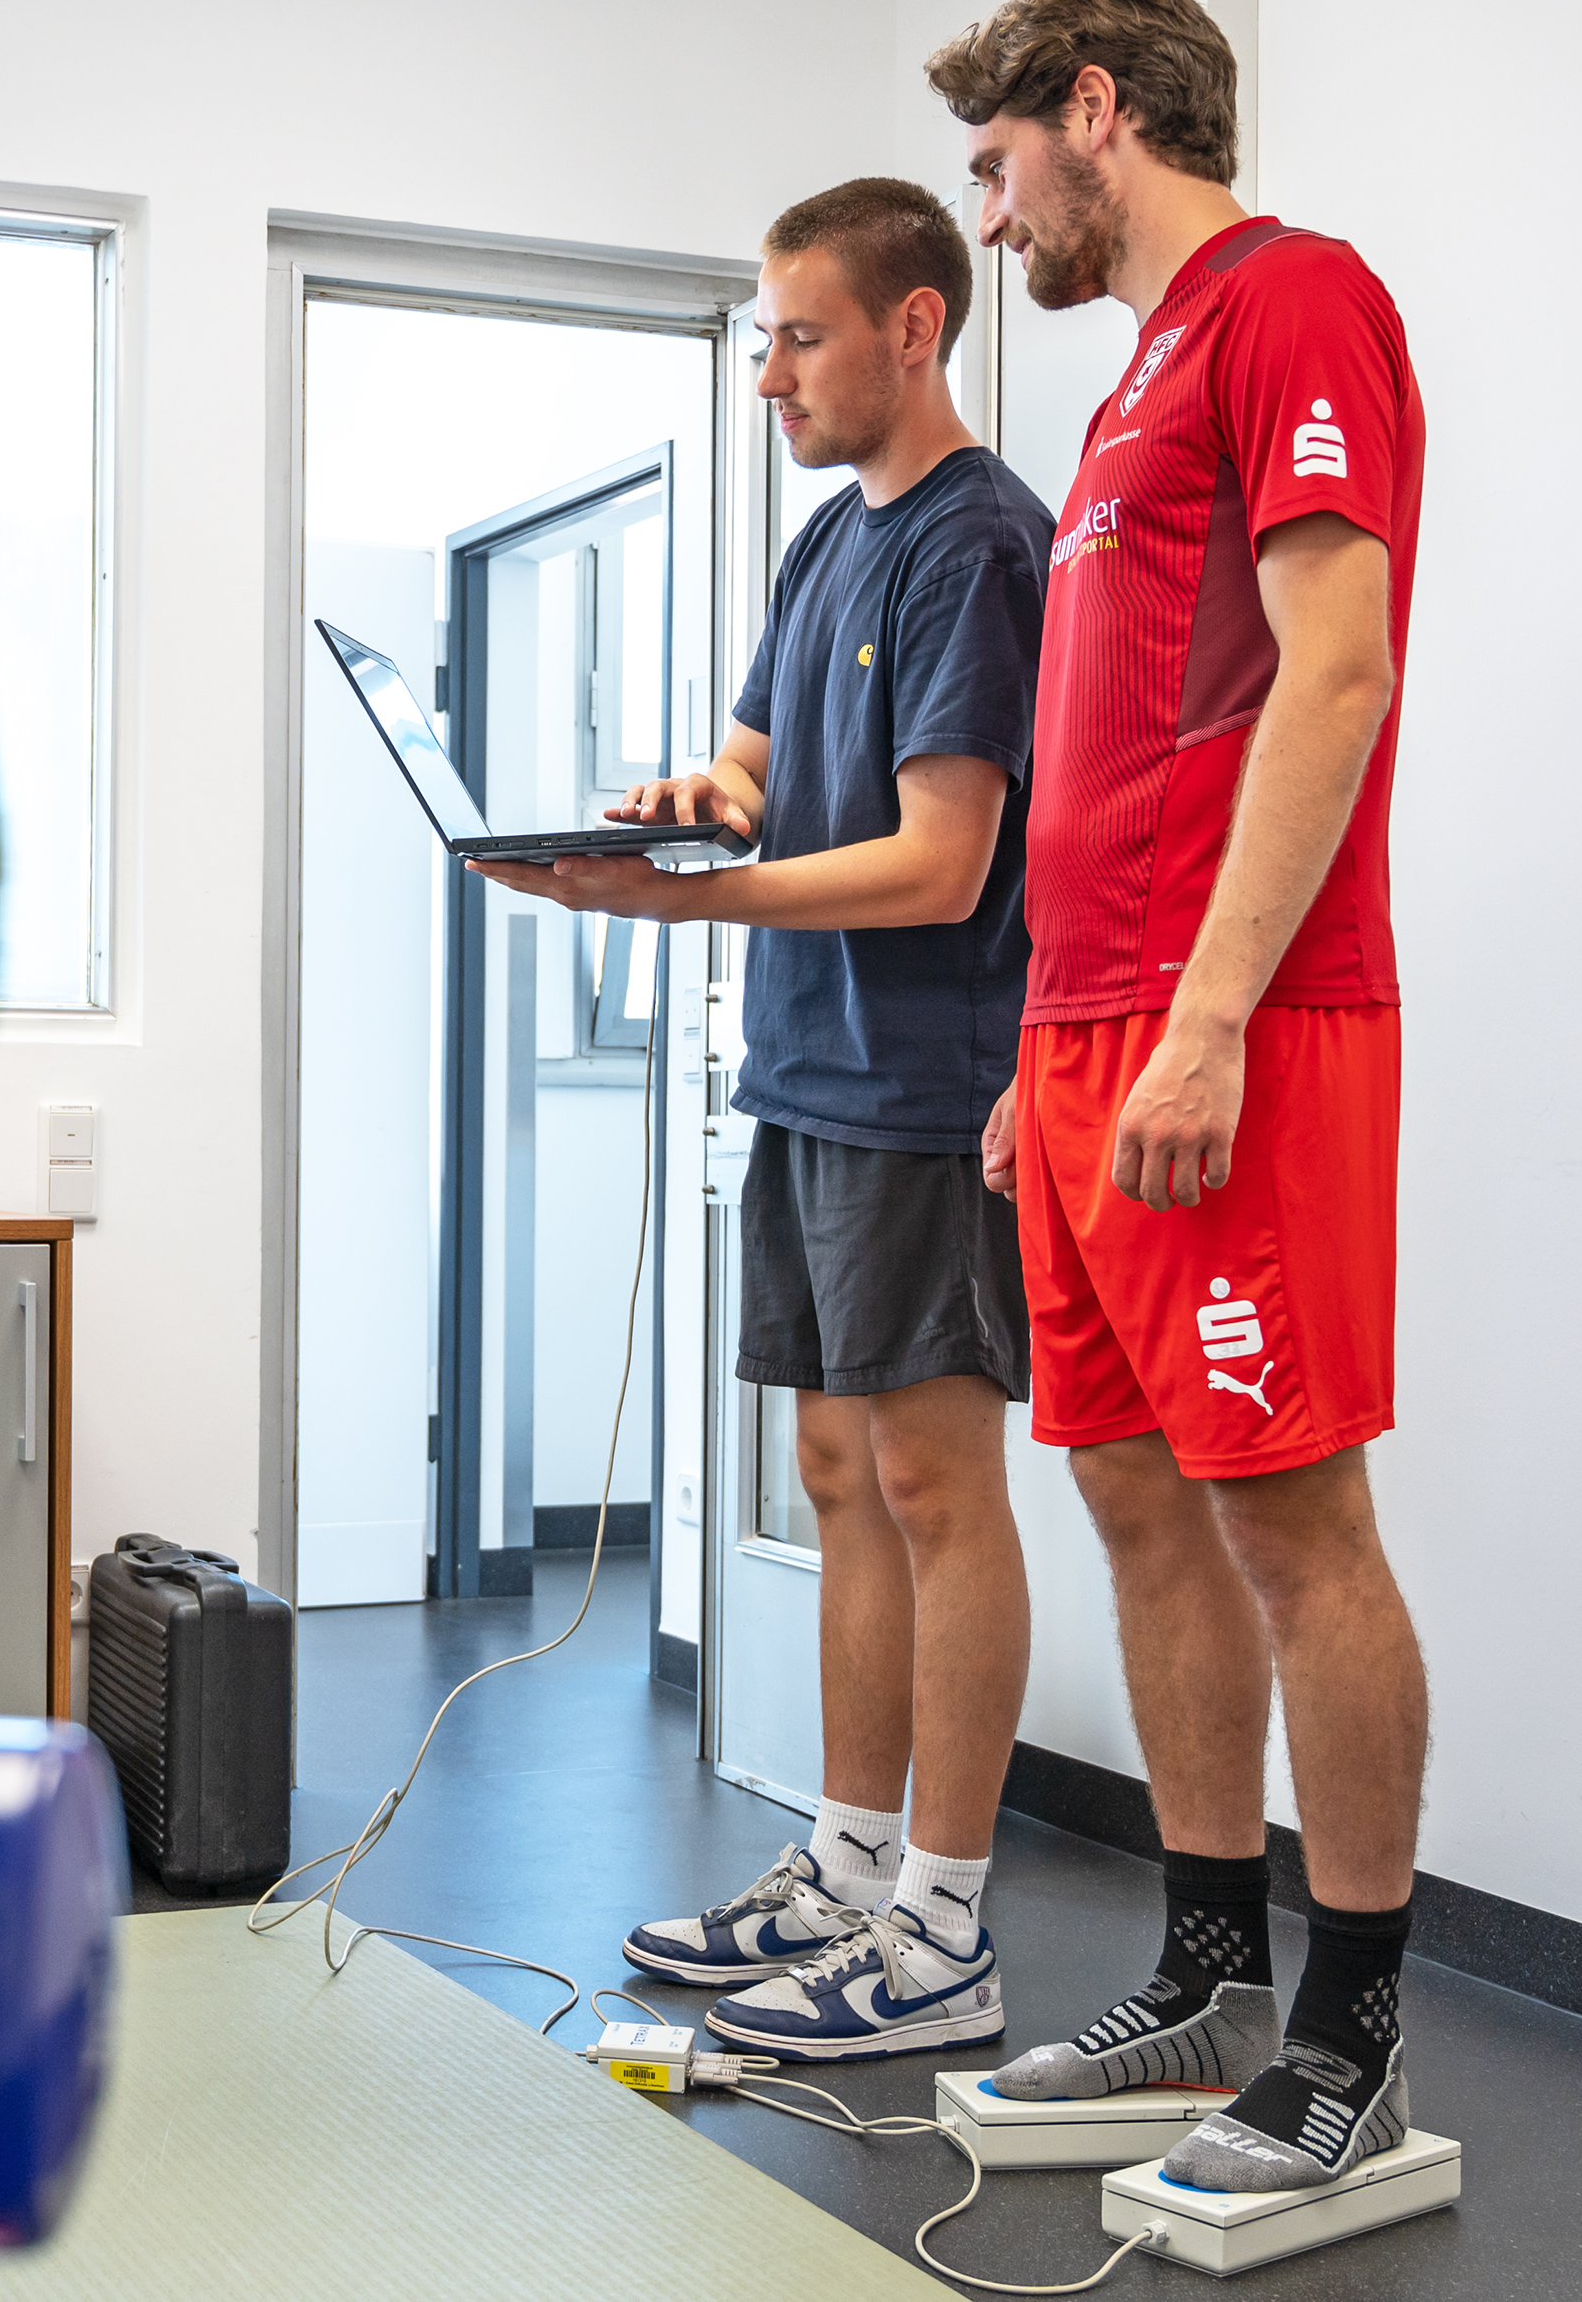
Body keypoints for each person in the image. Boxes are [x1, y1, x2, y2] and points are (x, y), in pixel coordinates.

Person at [932, 0, 1433, 2193]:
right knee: (1132, 1500)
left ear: (1096, 107)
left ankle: (1345, 2032)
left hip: (1233, 1028)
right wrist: (1040, 1043)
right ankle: (1202, 1978)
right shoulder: (1127, 389)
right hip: (1077, 1041)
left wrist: (1207, 1017)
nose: (989, 203)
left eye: (995, 157)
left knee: (1291, 1519)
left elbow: (1332, 675)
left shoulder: (1285, 305)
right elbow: (1115, 745)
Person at [470, 178, 1051, 2062]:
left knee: (937, 1483)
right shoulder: (824, 544)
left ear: (911, 328)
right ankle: (849, 1862)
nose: (765, 373)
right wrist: (695, 800)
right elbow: (763, 762)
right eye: (759, 336)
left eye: (797, 337)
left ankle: (945, 1923)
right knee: (831, 1477)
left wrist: (690, 904)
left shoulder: (979, 548)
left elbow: (946, 861)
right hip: (804, 1074)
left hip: (924, 1084)